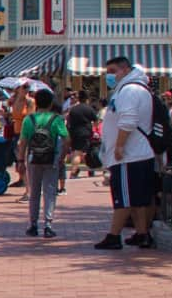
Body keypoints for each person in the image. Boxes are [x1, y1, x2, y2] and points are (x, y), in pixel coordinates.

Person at [95, 57, 158, 250]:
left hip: (129, 155)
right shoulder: (134, 88)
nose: (110, 75)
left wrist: (120, 146)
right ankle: (142, 233)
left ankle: (114, 236)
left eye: (113, 70)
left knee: (124, 198)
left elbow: (128, 120)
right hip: (138, 154)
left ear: (125, 69)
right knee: (137, 198)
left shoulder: (129, 90)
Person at [19, 88, 69, 239]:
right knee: (50, 191)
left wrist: (20, 160)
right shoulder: (56, 119)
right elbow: (67, 139)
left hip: (33, 158)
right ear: (51, 103)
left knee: (34, 192)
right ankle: (48, 224)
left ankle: (33, 225)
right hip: (51, 158)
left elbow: (23, 142)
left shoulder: (29, 119)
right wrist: (62, 156)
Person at [66, 91, 98, 179]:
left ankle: (88, 169)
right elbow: (96, 121)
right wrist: (93, 128)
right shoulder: (89, 109)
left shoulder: (73, 109)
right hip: (85, 133)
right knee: (79, 152)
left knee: (78, 151)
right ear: (87, 99)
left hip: (73, 132)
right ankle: (73, 172)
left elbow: (68, 121)